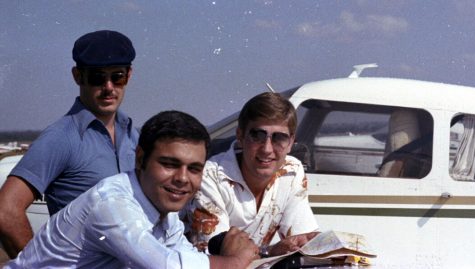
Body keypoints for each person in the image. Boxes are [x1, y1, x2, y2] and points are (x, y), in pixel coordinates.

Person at [4, 111, 259, 268]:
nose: (182, 179)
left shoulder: (163, 208)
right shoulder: (113, 204)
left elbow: (184, 256)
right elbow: (166, 266)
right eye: (169, 164)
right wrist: (234, 261)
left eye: (194, 169)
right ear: (140, 159)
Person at [0, 30, 139, 258]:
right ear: (77, 76)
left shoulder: (134, 136)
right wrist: (39, 264)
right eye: (97, 77)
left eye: (117, 76)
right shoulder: (61, 138)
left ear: (129, 75)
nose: (108, 87)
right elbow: (6, 211)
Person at [181, 92, 319, 257]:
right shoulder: (210, 177)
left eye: (279, 138)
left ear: (290, 143)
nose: (267, 149)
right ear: (240, 136)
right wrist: (270, 251)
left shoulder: (292, 171)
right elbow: (215, 255)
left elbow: (305, 242)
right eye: (257, 136)